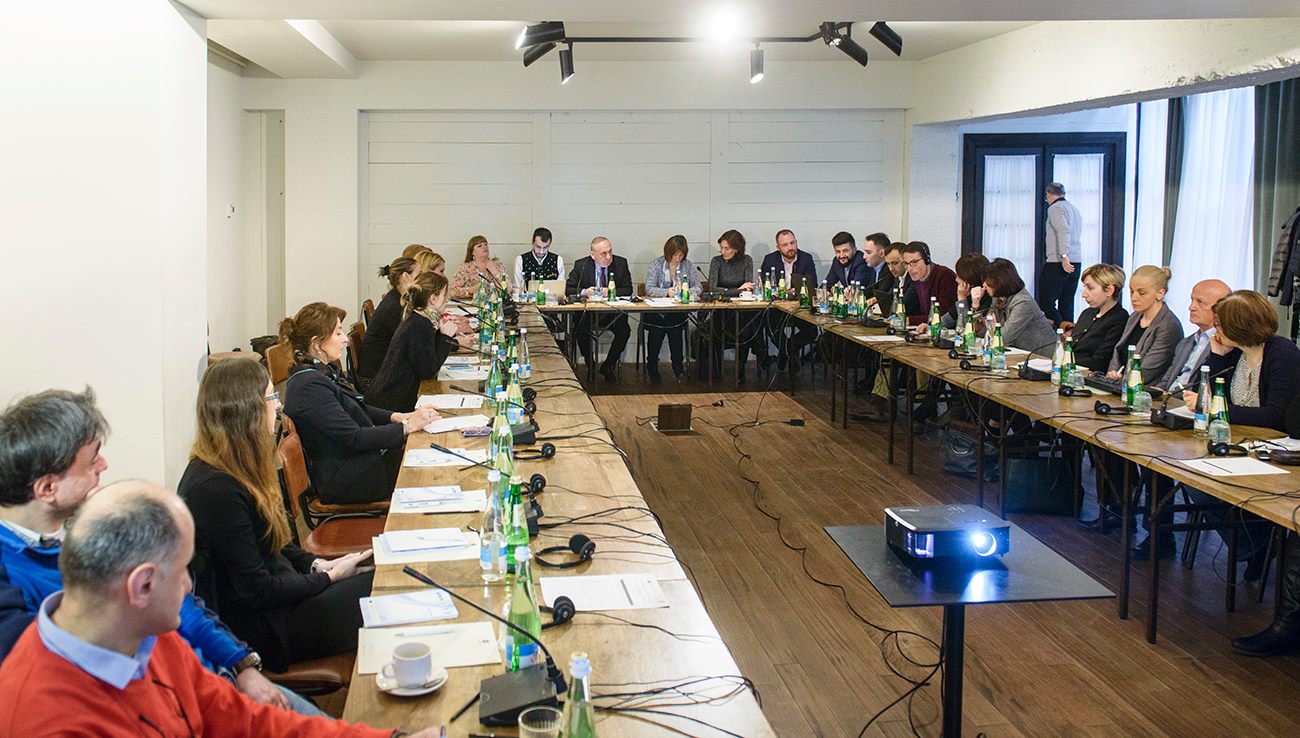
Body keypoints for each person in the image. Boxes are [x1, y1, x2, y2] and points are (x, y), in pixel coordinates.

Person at [0, 479, 440, 738]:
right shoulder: (45, 717)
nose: (189, 587)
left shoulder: (151, 639)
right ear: (141, 585)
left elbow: (249, 721)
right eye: (182, 571)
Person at [0, 388, 319, 715]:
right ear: (47, 488)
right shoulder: (10, 581)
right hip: (171, 708)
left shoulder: (74, 528)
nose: (104, 465)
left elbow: (181, 602)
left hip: (210, 681)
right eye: (93, 459)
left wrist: (240, 663)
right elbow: (61, 681)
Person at [180, 360, 375, 673]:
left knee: (384, 578)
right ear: (246, 410)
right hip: (267, 629)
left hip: (284, 602)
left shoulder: (234, 468)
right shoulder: (216, 490)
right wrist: (328, 578)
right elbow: (256, 591)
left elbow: (275, 544)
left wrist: (318, 565)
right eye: (271, 397)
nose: (279, 405)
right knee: (384, 590)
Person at [281, 302, 437, 503]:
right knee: (431, 472)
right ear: (317, 343)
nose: (345, 339)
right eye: (338, 333)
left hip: (359, 462)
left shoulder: (320, 372)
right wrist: (407, 427)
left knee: (428, 453)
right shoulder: (309, 387)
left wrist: (397, 417)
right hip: (349, 480)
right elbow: (354, 437)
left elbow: (353, 406)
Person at [366, 272, 471, 413]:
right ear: (433, 298)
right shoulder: (420, 324)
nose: (447, 299)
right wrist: (445, 337)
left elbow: (428, 354)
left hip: (395, 395)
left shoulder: (420, 318)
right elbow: (428, 370)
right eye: (445, 294)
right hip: (392, 403)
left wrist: (441, 333)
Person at [566, 236, 633, 382]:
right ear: (593, 255)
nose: (608, 257)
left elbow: (628, 289)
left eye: (610, 252)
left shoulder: (620, 263)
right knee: (580, 329)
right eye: (603, 253)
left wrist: (610, 291)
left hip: (612, 314)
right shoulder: (581, 265)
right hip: (589, 315)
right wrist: (585, 292)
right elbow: (568, 289)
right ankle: (591, 365)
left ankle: (608, 365)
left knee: (624, 331)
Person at [1148, 279, 1232, 392]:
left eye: (1200, 302)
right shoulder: (1185, 343)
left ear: (1221, 308)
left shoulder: (1225, 346)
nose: (1191, 307)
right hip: (1168, 399)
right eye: (1192, 300)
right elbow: (1167, 380)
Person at [1105, 265, 1184, 385]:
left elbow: (1149, 370)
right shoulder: (1134, 317)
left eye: (1142, 293)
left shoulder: (1168, 325)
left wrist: (1120, 380)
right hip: (1120, 384)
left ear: (1160, 293)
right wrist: (1113, 373)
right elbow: (1118, 353)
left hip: (1146, 391)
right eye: (1131, 291)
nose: (1134, 298)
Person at [707, 230, 768, 381]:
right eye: (721, 247)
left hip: (742, 309)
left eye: (727, 248)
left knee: (750, 321)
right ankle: (760, 352)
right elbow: (713, 289)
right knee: (749, 325)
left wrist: (734, 290)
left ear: (737, 248)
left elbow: (748, 288)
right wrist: (737, 290)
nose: (723, 251)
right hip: (722, 311)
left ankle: (741, 367)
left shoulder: (747, 260)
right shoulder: (717, 261)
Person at [968, 258, 1057, 355]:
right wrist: (975, 305)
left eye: (987, 280)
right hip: (1020, 354)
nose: (984, 285)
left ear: (1000, 281)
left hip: (1041, 357)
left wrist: (990, 332)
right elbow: (982, 332)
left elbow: (1004, 337)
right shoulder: (998, 298)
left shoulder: (1023, 302)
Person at [643, 235, 700, 384]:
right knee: (657, 330)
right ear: (668, 253)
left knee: (675, 330)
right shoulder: (656, 264)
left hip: (676, 311)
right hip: (656, 311)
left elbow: (698, 287)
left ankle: (678, 367)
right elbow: (649, 288)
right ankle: (652, 366)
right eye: (675, 255)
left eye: (681, 255)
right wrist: (667, 292)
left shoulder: (688, 265)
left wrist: (686, 292)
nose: (677, 258)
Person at [357, 256, 421, 389]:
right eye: (419, 275)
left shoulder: (398, 298)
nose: (423, 279)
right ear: (405, 276)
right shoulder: (394, 307)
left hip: (383, 372)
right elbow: (414, 342)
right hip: (375, 380)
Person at [759, 229, 818, 370]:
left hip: (799, 308)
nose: (790, 247)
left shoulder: (806, 259)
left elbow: (812, 284)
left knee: (812, 331)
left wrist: (793, 291)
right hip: (777, 308)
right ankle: (788, 351)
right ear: (778, 247)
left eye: (792, 243)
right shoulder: (770, 259)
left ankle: (787, 351)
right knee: (769, 323)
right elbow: (764, 284)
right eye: (785, 245)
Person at [1065, 263, 1129, 371]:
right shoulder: (1087, 313)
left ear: (1109, 290)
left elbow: (1099, 361)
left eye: (1090, 288)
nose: (1084, 294)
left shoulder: (1119, 318)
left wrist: (1064, 359)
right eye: (1084, 287)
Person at [1038, 182, 1083, 326]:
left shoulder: (1055, 208)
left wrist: (1064, 256)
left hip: (1058, 261)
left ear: (1049, 194)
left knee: (1046, 300)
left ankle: (1061, 330)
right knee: (1066, 302)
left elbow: (1063, 230)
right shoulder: (1074, 209)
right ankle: (1069, 334)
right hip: (1076, 260)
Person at [899, 241, 958, 326]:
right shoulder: (916, 277)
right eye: (906, 264)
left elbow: (943, 315)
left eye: (914, 262)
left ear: (927, 260)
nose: (909, 269)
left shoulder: (944, 275)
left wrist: (911, 320)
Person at [941, 253, 992, 330]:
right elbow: (948, 318)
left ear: (969, 281)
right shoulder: (967, 293)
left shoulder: (988, 299)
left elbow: (967, 328)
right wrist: (930, 326)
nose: (956, 279)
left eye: (959, 276)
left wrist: (962, 299)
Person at [450, 235, 508, 300]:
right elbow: (452, 291)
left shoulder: (498, 265)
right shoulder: (466, 267)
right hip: (471, 304)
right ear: (472, 252)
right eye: (479, 246)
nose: (484, 247)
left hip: (495, 303)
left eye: (485, 244)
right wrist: (471, 290)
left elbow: (509, 289)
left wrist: (495, 273)